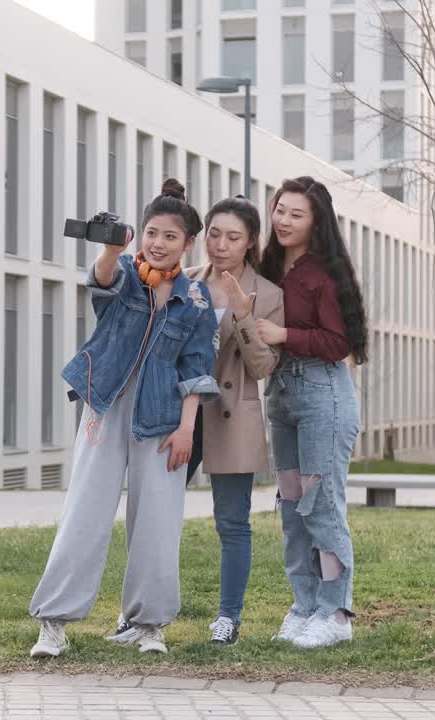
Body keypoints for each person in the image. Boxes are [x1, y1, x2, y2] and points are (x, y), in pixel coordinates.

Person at [28, 179, 220, 658]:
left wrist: (186, 430)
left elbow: (196, 370)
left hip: (164, 419)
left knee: (158, 519)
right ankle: (54, 622)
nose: (158, 243)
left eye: (170, 237)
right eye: (152, 233)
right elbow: (102, 280)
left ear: (188, 243)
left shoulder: (196, 302)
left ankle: (148, 624)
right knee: (85, 511)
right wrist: (113, 249)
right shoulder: (128, 277)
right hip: (107, 404)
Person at [255, 177, 369, 649]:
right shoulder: (268, 267)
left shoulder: (324, 273)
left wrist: (285, 336)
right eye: (280, 210)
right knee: (291, 511)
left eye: (295, 214)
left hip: (324, 394)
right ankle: (304, 607)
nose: (283, 220)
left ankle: (335, 613)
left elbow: (339, 342)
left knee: (321, 507)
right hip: (280, 395)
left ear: (315, 222)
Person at [182, 196, 284, 645]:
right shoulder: (182, 282)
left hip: (232, 414)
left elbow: (263, 368)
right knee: (156, 515)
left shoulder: (269, 294)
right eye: (214, 233)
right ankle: (141, 613)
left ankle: (228, 618)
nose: (220, 245)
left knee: (232, 521)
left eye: (233, 237)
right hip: (180, 413)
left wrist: (244, 313)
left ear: (251, 242)